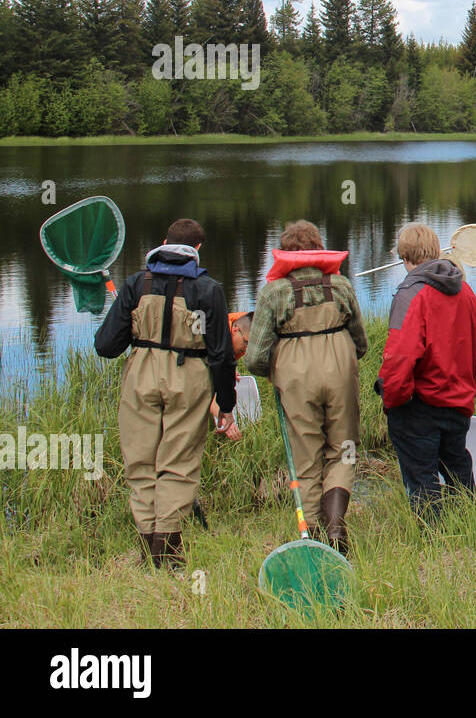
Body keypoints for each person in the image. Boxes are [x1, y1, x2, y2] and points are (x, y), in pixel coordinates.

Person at [93, 218, 236, 569]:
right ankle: (168, 553)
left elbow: (106, 346)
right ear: (197, 251)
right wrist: (227, 405)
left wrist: (135, 325)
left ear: (163, 242)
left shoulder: (135, 284)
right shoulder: (208, 289)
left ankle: (148, 549)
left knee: (140, 462)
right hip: (188, 378)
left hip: (141, 375)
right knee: (179, 463)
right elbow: (220, 354)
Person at [244, 220, 368, 554]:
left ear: (285, 252)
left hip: (296, 375)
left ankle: (314, 538)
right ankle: (336, 526)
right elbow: (360, 340)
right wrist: (344, 358)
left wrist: (276, 372)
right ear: (318, 247)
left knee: (306, 456)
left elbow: (254, 356)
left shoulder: (273, 292)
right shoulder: (340, 284)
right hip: (340, 366)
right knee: (343, 448)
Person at [376, 223, 476, 522]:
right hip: (457, 402)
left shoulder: (410, 292)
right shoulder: (465, 290)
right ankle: (468, 528)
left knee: (422, 478)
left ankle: (434, 541)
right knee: (457, 466)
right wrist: (466, 390)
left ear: (405, 258)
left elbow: (399, 357)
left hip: (419, 406)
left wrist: (391, 399)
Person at [209, 311, 252, 442]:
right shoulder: (214, 339)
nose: (246, 349)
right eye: (245, 343)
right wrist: (227, 422)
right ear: (235, 329)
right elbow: (203, 391)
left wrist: (231, 369)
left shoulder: (236, 341)